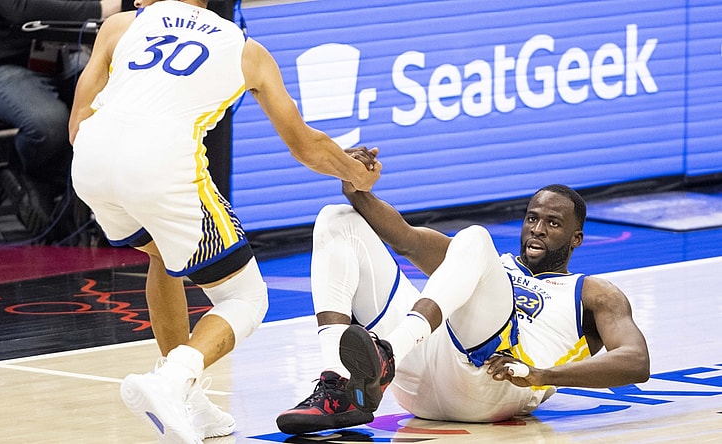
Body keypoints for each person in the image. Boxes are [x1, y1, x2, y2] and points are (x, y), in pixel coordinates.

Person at [67, 1, 380, 443]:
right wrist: (356, 173)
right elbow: (305, 145)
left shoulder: (120, 25)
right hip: (160, 162)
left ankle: (187, 397)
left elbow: (77, 123)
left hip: (91, 160)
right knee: (247, 298)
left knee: (162, 251)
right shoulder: (245, 49)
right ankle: (171, 380)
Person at [276, 166, 651, 434]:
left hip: (494, 388)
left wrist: (543, 376)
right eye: (532, 218)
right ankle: (339, 384)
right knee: (337, 217)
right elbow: (404, 238)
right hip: (419, 378)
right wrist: (358, 189)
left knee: (474, 237)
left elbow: (636, 362)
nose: (537, 230)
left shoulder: (593, 292)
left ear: (576, 238)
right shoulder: (487, 265)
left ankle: (388, 351)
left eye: (552, 223)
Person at [0, 0, 127, 237]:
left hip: (56, 54)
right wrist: (107, 8)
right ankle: (30, 173)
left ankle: (80, 201)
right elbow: (20, 9)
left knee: (113, 100)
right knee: (49, 124)